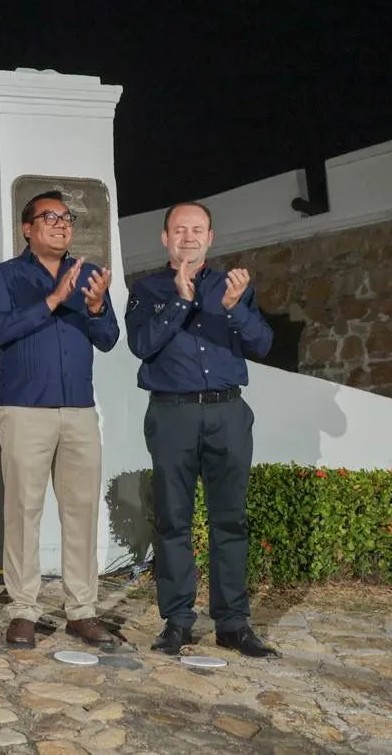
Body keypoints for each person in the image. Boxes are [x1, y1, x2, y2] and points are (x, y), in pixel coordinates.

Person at [126, 201, 277, 658]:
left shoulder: (233, 286)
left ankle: (232, 623)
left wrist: (233, 308)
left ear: (210, 238)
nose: (188, 237)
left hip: (228, 413)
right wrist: (180, 299)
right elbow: (141, 344)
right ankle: (177, 622)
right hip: (172, 414)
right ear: (165, 238)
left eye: (197, 230)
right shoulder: (147, 288)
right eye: (179, 229)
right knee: (173, 519)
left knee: (230, 519)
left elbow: (263, 344)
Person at [0, 190, 120, 650]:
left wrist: (97, 307)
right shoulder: (4, 276)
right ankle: (24, 609)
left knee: (80, 511)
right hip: (25, 410)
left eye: (67, 218)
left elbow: (108, 339)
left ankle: (81, 609)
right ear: (27, 228)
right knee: (23, 510)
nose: (62, 225)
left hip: (79, 411)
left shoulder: (90, 277)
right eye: (50, 217)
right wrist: (53, 300)